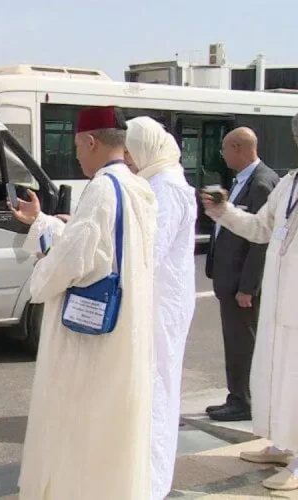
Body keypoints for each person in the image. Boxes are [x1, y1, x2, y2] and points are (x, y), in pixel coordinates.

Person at [10, 106, 157, 500]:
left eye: (77, 146)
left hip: (90, 342)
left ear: (91, 141)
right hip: (125, 332)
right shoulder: (138, 186)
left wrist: (41, 273)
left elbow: (72, 261)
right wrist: (42, 223)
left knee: (79, 433)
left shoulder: (102, 188)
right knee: (111, 436)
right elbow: (99, 246)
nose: (76, 155)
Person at [200, 112, 298, 492]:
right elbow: (259, 228)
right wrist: (223, 211)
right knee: (277, 377)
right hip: (279, 303)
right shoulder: (288, 183)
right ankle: (284, 444)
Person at [125, 116, 197, 499]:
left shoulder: (166, 185)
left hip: (161, 303)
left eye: (132, 150)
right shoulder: (159, 180)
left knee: (156, 390)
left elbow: (151, 247)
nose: (129, 159)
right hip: (160, 298)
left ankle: (151, 484)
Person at [204, 127, 279, 422]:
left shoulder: (262, 183)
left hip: (241, 284)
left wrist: (249, 286)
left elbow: (261, 242)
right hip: (229, 280)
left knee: (242, 344)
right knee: (235, 342)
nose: (222, 155)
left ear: (237, 147)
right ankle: (236, 395)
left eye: (224, 149)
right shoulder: (241, 180)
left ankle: (243, 400)